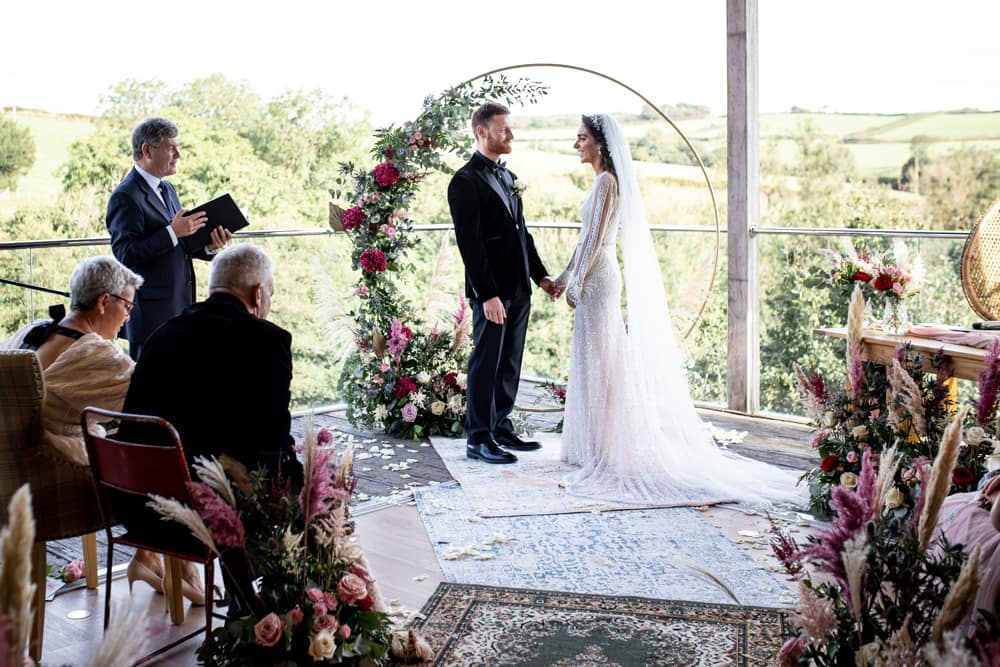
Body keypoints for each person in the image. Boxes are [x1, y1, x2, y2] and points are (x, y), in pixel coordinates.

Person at [554, 114, 804, 507]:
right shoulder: (603, 182)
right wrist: (564, 275)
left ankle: (599, 447)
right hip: (593, 275)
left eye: (581, 137)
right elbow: (584, 239)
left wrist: (577, 282)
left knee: (599, 361)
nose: (576, 144)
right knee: (593, 359)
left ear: (600, 143)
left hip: (598, 280)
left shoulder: (606, 183)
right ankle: (591, 444)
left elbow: (597, 240)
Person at [0, 256, 170, 600]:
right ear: (104, 301)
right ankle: (157, 556)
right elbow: (151, 397)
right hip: (56, 471)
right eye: (128, 306)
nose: (129, 317)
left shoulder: (32, 332)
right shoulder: (92, 352)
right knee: (163, 453)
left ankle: (152, 557)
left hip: (11, 466)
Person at [449, 102, 561, 465]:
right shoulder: (464, 181)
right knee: (486, 363)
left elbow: (521, 234)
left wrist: (540, 277)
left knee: (510, 362)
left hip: (519, 288)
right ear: (482, 132)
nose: (510, 134)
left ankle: (500, 426)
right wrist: (487, 295)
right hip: (492, 293)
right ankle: (478, 438)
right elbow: (470, 245)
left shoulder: (510, 178)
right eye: (503, 129)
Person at [106, 117, 232, 361]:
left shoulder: (168, 189)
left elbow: (179, 243)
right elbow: (126, 254)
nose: (178, 154)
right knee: (150, 383)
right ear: (147, 150)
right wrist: (172, 232)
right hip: (150, 317)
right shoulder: (125, 196)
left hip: (180, 308)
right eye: (171, 148)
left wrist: (209, 245)